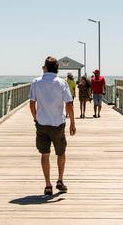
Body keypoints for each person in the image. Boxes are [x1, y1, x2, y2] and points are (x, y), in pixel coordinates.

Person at [30, 56, 76, 195]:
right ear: (57, 68)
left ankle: (48, 184)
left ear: (45, 67)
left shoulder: (36, 82)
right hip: (58, 124)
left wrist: (36, 118)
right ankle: (60, 180)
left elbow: (32, 103)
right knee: (61, 153)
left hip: (42, 123)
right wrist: (73, 123)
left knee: (45, 154)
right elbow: (69, 104)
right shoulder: (62, 83)